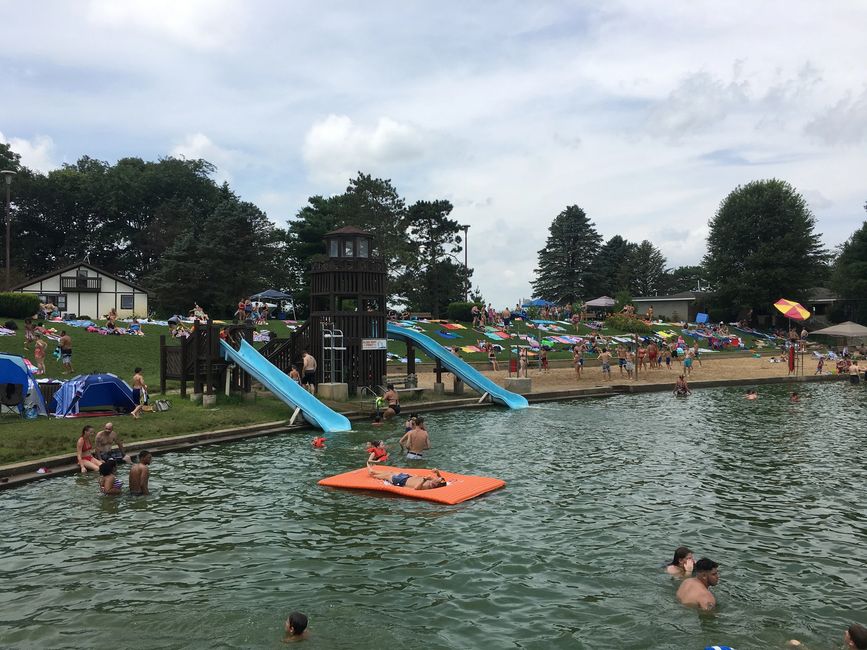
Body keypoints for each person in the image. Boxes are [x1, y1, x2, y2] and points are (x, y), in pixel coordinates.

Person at [368, 466, 446, 490]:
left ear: (436, 484)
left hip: (402, 481)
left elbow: (416, 488)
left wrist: (424, 479)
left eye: (437, 480)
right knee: (390, 473)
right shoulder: (433, 481)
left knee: (387, 476)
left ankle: (373, 474)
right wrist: (437, 472)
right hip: (407, 477)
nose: (436, 478)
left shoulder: (428, 486)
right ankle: (374, 471)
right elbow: (440, 479)